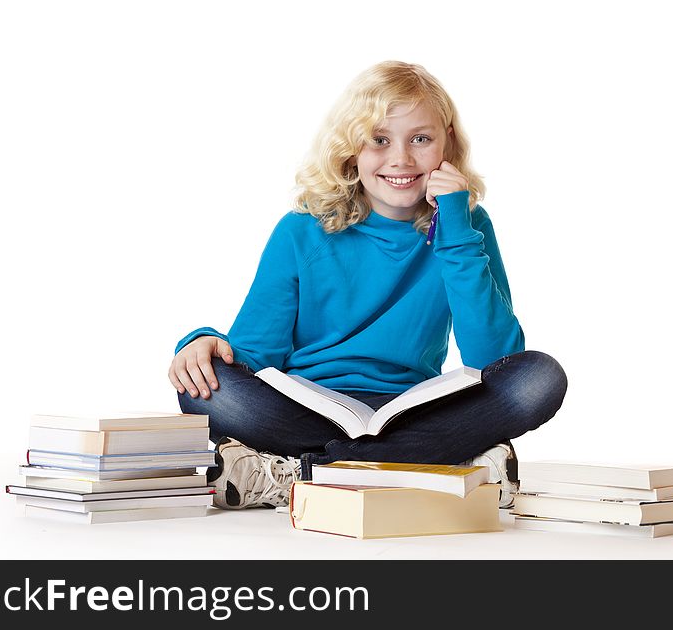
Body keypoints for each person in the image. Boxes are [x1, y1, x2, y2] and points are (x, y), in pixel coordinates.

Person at [169, 61, 567, 510]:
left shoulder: (466, 225)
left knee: (538, 377)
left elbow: (495, 359)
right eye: (380, 140)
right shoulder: (302, 230)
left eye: (421, 138)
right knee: (204, 385)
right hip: (310, 411)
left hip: (412, 410)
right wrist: (201, 342)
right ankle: (422, 468)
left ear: (447, 144)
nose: (401, 158)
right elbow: (255, 355)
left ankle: (300, 473)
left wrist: (454, 228)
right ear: (351, 151)